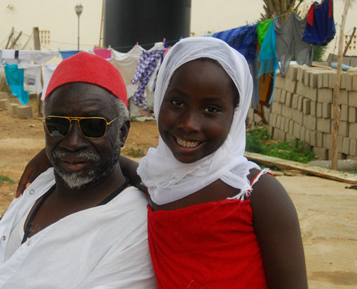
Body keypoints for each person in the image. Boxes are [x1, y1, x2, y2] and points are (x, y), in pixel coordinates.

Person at [17, 37, 308, 289]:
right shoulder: (158, 181)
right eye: (177, 103)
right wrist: (59, 147)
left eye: (211, 109)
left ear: (236, 112)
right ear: (160, 101)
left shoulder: (257, 193)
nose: (189, 124)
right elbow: (124, 165)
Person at [0, 52, 156, 289]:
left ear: (122, 132)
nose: (72, 142)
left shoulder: (136, 228)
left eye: (93, 126)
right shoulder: (39, 185)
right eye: (58, 125)